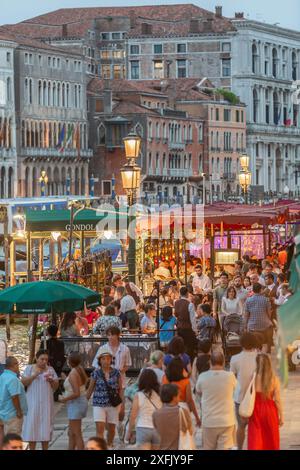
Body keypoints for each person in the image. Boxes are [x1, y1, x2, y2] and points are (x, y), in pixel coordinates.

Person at [196, 351, 237, 450]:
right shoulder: (230, 376)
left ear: (210, 362)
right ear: (223, 362)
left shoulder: (202, 377)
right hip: (227, 421)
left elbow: (198, 392)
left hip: (209, 420)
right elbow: (236, 390)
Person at [92, 326, 132, 424]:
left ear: (118, 335)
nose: (110, 337)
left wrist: (120, 372)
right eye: (109, 335)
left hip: (120, 381)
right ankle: (109, 425)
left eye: (113, 335)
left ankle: (120, 424)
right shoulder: (103, 348)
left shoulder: (125, 349)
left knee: (121, 406)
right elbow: (96, 365)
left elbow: (128, 364)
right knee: (107, 408)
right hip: (106, 382)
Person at [22, 350, 59, 450]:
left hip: (46, 405)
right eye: (42, 359)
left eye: (46, 359)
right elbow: (24, 382)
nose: (44, 361)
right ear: (36, 358)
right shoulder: (29, 368)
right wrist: (34, 376)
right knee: (32, 429)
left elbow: (56, 386)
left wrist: (52, 381)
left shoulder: (50, 369)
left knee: (45, 429)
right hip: (32, 404)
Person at [87, 351, 122, 449]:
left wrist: (121, 404)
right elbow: (90, 389)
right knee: (100, 428)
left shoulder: (116, 372)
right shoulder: (96, 373)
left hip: (113, 404)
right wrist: (84, 401)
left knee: (111, 429)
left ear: (111, 360)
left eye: (108, 358)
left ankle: (110, 445)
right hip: (98, 404)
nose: (106, 361)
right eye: (103, 359)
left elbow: (120, 389)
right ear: (99, 361)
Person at [248, 353, 283, 450]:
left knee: (256, 438)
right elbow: (278, 400)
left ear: (257, 364)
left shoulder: (253, 377)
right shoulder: (274, 379)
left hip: (256, 409)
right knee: (271, 438)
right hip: (270, 410)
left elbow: (249, 394)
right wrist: (281, 416)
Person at [230, 332, 258, 450]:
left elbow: (232, 377)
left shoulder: (235, 359)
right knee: (256, 427)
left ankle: (240, 448)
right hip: (256, 397)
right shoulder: (260, 357)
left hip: (240, 397)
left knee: (241, 427)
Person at [58, 352, 88, 450]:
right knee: (71, 432)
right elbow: (83, 382)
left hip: (76, 403)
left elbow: (76, 393)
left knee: (77, 432)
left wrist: (64, 399)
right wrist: (65, 379)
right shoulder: (79, 369)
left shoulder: (73, 374)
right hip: (79, 402)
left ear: (69, 361)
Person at [126, 369, 162, 450]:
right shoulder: (160, 395)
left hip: (143, 428)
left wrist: (129, 432)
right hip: (158, 429)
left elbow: (133, 416)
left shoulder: (138, 395)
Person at [153, 384, 193, 450]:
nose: (179, 398)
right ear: (174, 397)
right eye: (178, 395)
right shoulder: (183, 411)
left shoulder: (156, 414)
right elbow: (190, 430)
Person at [162, 358, 201, 427]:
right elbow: (189, 400)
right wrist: (197, 417)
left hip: (167, 408)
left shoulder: (164, 378)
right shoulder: (186, 382)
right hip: (182, 409)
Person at [0, 357, 27, 438]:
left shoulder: (2, 376)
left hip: (3, 412)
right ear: (14, 365)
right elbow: (14, 396)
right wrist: (19, 411)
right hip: (13, 414)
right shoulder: (13, 379)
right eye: (17, 364)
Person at [244, 283, 273, 353]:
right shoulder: (266, 300)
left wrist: (245, 326)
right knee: (265, 342)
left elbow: (246, 315)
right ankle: (265, 354)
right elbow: (269, 314)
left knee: (254, 344)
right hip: (265, 326)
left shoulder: (248, 300)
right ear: (261, 290)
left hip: (252, 327)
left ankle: (256, 354)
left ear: (253, 290)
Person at [174, 286, 197, 361]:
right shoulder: (190, 304)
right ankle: (189, 362)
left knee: (181, 347)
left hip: (179, 328)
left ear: (180, 293)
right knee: (190, 347)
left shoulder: (176, 303)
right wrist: (195, 330)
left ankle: (181, 361)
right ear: (187, 294)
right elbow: (192, 319)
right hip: (188, 329)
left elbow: (176, 314)